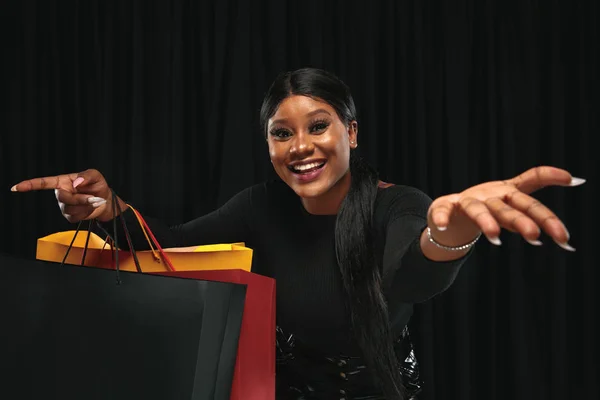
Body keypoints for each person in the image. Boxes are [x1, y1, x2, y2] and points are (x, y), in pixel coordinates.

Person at [11, 67, 584, 400]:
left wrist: (450, 233)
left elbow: (410, 279)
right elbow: (172, 243)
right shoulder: (261, 206)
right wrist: (110, 212)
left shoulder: (400, 205)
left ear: (351, 133)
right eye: (281, 133)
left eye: (318, 126)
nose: (300, 146)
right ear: (268, 146)